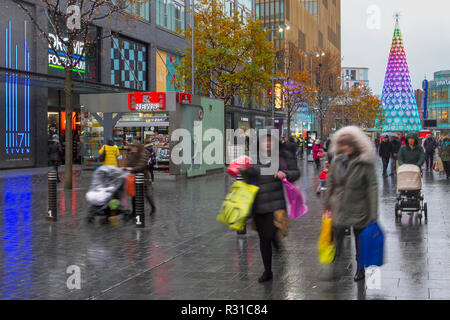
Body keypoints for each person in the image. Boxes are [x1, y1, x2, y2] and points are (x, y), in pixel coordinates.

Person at [240, 128, 300, 283]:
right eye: (264, 140)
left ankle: (276, 243)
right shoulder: (255, 157)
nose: (267, 143)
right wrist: (244, 171)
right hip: (259, 203)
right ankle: (267, 271)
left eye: (270, 140)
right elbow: (250, 177)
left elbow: (296, 172)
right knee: (264, 239)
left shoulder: (283, 155)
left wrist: (285, 174)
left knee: (268, 234)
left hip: (276, 203)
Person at [324, 126, 378, 282]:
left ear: (354, 145)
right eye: (342, 145)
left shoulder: (364, 162)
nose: (344, 148)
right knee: (338, 238)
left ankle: (360, 268)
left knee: (359, 239)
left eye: (347, 145)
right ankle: (335, 268)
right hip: (340, 206)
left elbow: (372, 187)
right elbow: (331, 183)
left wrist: (373, 214)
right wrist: (327, 204)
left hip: (359, 206)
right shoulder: (338, 161)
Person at [125, 143, 156, 215]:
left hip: (144, 179)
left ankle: (153, 207)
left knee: (147, 195)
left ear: (138, 148)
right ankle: (134, 212)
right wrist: (125, 167)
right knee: (134, 196)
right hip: (135, 179)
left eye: (134, 147)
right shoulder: (132, 156)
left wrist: (131, 168)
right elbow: (128, 164)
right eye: (132, 147)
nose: (132, 149)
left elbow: (141, 166)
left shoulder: (143, 156)